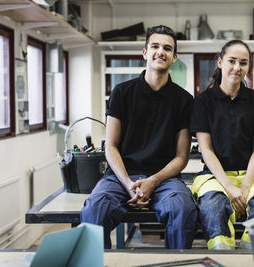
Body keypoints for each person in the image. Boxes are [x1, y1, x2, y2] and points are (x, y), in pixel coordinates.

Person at [81, 25, 198, 249]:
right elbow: (111, 146)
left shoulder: (184, 100)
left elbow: (181, 156)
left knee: (182, 210)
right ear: (145, 52)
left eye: (167, 48)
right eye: (154, 46)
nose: (160, 52)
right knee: (94, 210)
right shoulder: (121, 92)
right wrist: (128, 184)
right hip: (120, 177)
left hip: (164, 180)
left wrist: (153, 182)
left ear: (174, 57)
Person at [190, 40, 254, 250]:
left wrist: (245, 186)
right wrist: (229, 187)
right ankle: (222, 250)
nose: (237, 68)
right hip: (216, 176)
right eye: (232, 61)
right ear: (220, 62)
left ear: (248, 67)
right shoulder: (203, 102)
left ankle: (252, 249)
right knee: (214, 206)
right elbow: (207, 150)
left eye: (243, 63)